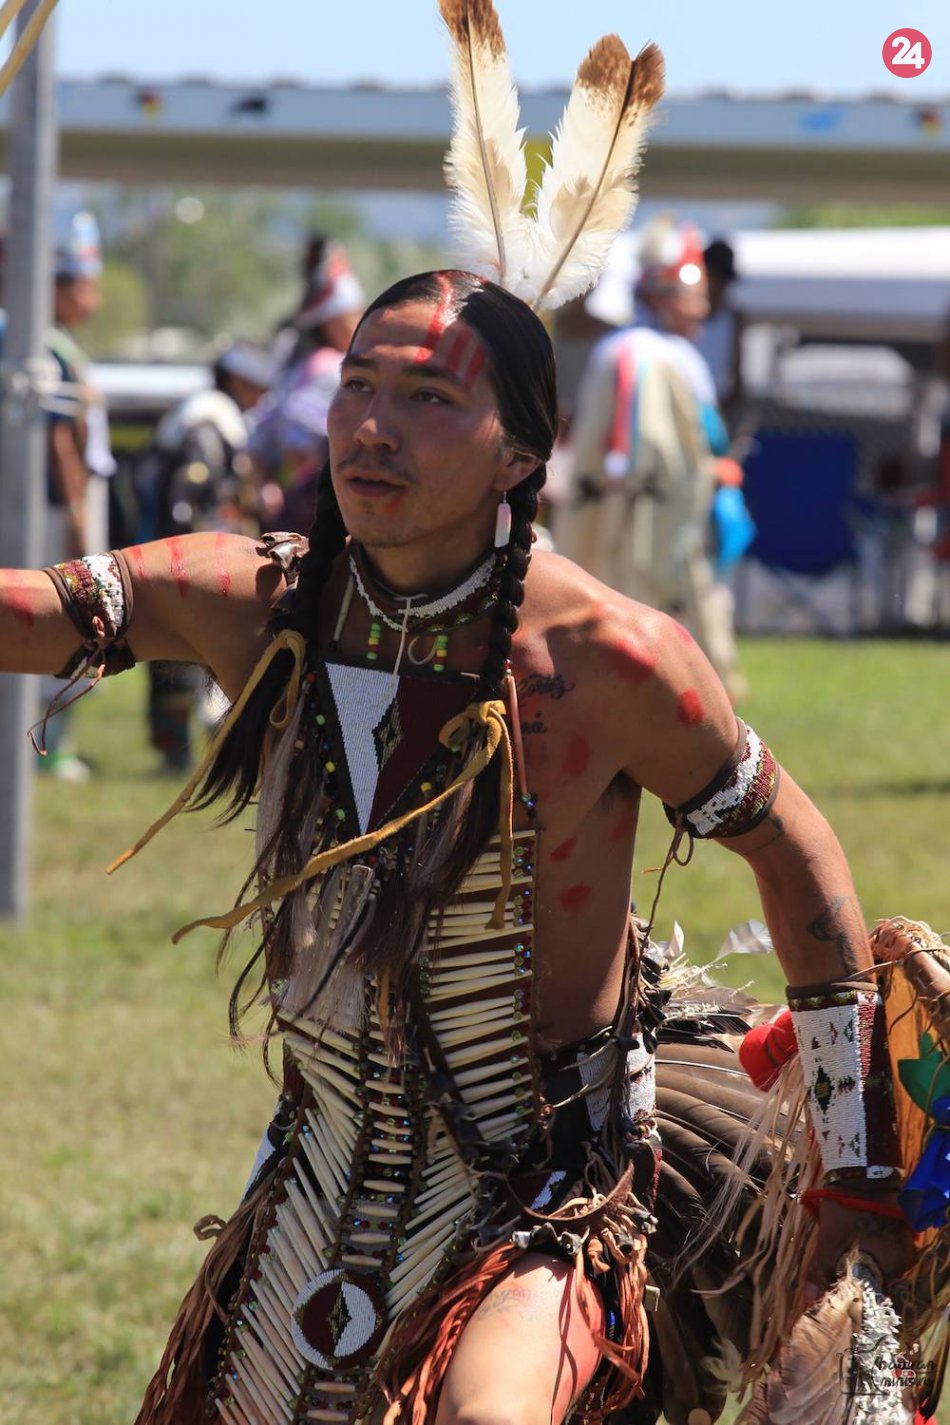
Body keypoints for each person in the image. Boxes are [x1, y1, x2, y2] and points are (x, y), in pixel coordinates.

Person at [0, 6, 941, 1424]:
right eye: (357, 388)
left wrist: (854, 1176)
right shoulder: (258, 601)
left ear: (517, 454)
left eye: (428, 398)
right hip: (317, 1166)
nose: (372, 428)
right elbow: (24, 612)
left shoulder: (610, 662)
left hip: (544, 1185)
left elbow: (794, 854)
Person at [559, 218, 749, 703]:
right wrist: (714, 473)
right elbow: (684, 449)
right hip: (658, 520)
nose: (702, 309)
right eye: (694, 297)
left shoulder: (617, 350)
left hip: (615, 514)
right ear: (665, 298)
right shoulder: (665, 359)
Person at [136, 340, 274, 772]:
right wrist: (195, 562)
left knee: (187, 660)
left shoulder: (206, 417)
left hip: (182, 558)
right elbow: (188, 499)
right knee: (183, 660)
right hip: (189, 563)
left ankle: (202, 755)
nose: (261, 396)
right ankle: (182, 755)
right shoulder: (208, 422)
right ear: (235, 380)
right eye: (255, 385)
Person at [249, 238, 364, 535]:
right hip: (311, 509)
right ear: (331, 321)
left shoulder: (301, 365)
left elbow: (259, 435)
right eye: (352, 316)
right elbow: (296, 443)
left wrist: (265, 484)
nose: (359, 324)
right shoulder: (331, 367)